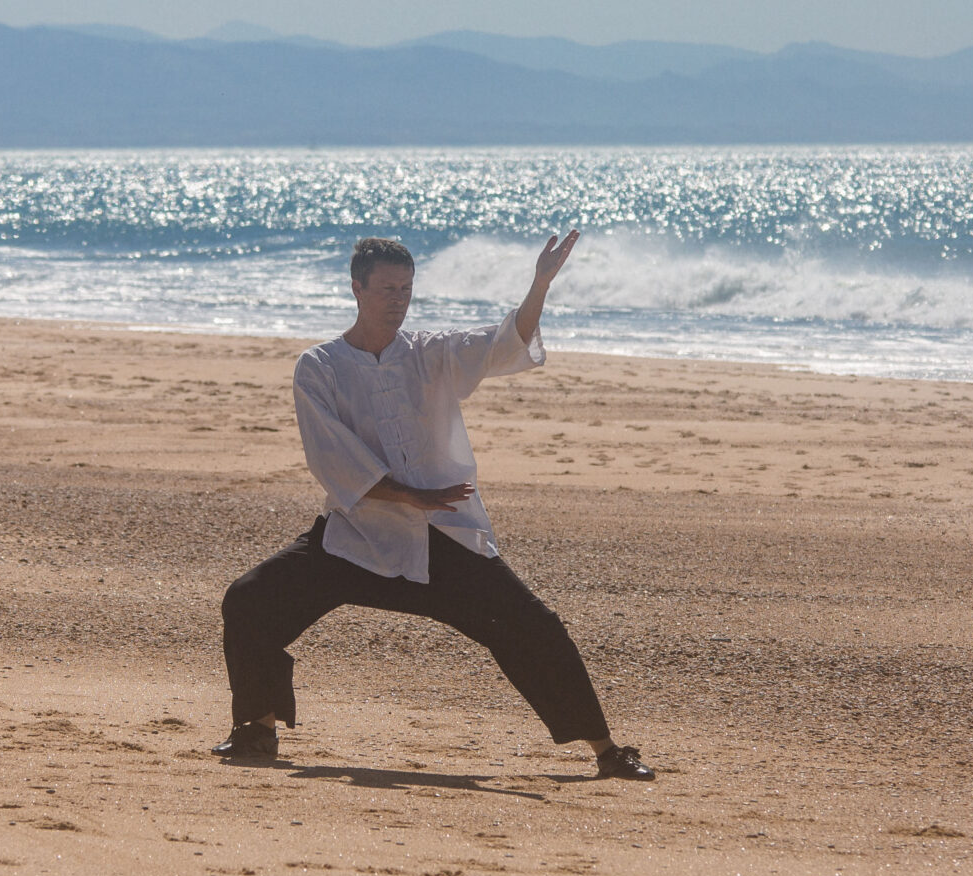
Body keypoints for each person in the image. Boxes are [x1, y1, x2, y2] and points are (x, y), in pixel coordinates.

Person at [212, 231, 653, 780]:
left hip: (440, 539)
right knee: (251, 600)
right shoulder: (319, 366)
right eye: (387, 289)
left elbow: (502, 343)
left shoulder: (431, 353)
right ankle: (257, 729)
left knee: (533, 627)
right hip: (355, 538)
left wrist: (539, 283)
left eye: (407, 289)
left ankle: (607, 751)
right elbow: (333, 460)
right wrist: (408, 495)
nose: (398, 300)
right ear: (357, 289)